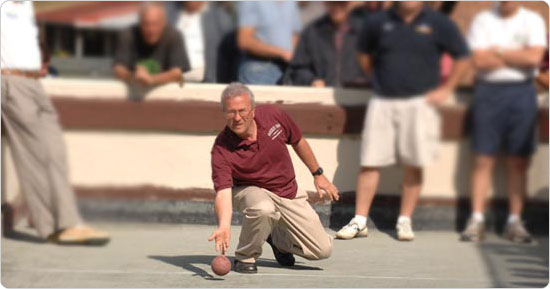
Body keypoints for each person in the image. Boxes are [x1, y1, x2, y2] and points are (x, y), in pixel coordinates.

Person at [335, 1, 470, 241]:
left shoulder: (439, 23)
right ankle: (359, 220)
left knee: (414, 162)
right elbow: (363, 54)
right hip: (383, 102)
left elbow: (462, 56)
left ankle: (405, 220)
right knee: (370, 160)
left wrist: (447, 89)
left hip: (421, 104)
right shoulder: (377, 22)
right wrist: (379, 78)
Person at [1, 1, 109, 245]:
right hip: (11, 81)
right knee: (35, 155)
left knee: (55, 152)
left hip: (33, 82)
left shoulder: (25, 6)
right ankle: (53, 225)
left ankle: (69, 222)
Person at [208, 83, 338, 273]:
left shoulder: (273, 115)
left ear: (252, 109)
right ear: (224, 113)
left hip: (287, 190)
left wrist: (318, 174)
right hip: (249, 190)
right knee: (263, 208)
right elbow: (223, 192)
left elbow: (298, 141)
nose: (237, 118)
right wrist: (224, 225)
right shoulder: (221, 148)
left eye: (242, 111)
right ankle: (245, 257)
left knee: (322, 250)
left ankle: (277, 239)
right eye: (231, 112)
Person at [461, 2, 546, 243]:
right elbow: (478, 61)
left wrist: (498, 52)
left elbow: (534, 59)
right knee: (482, 158)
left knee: (518, 160)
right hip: (488, 92)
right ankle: (476, 219)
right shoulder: (483, 21)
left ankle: (514, 222)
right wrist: (517, 55)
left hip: (522, 93)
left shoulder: (532, 20)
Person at [286, 1, 368, 88]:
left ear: (349, 4)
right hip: (322, 97)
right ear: (326, 3)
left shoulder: (364, 31)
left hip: (358, 97)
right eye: (332, 3)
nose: (337, 7)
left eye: (341, 3)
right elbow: (298, 68)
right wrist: (311, 80)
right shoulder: (312, 32)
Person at [113, 2, 190, 89]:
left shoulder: (174, 36)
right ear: (140, 23)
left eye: (154, 24)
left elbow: (177, 73)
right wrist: (133, 76)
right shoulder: (128, 35)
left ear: (163, 23)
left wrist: (151, 79)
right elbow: (118, 69)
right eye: (146, 24)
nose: (151, 30)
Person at [236, 1, 301, 85]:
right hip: (258, 70)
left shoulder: (290, 2)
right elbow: (244, 41)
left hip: (287, 69)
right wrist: (282, 53)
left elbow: (294, 35)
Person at [173, 1, 235, 83]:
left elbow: (230, 53)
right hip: (174, 80)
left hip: (207, 81)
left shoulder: (219, 17)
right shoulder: (171, 14)